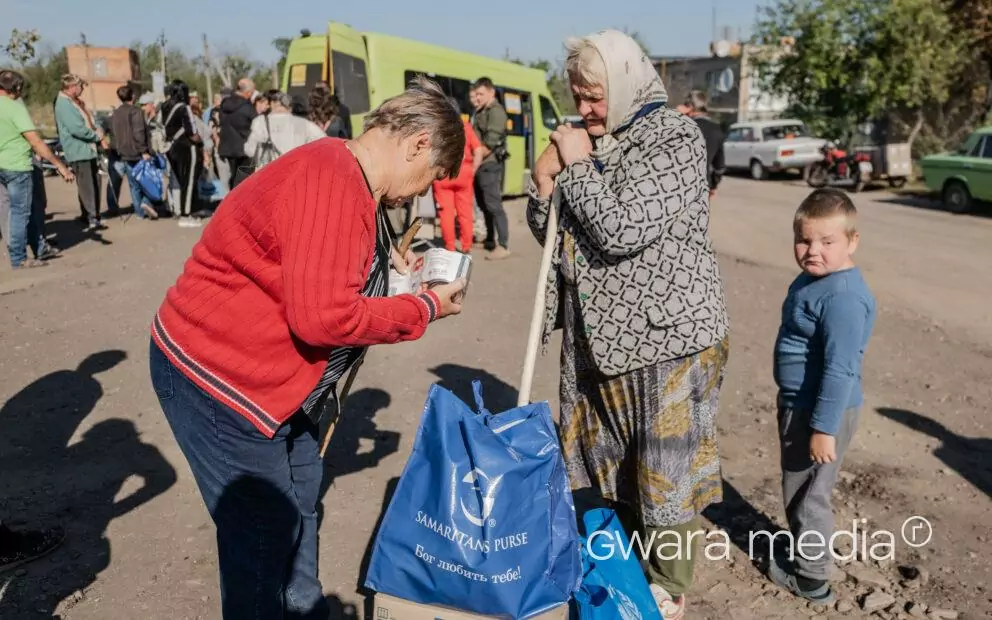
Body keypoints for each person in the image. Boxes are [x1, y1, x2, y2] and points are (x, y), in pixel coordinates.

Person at [148, 76, 467, 620]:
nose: (419, 193)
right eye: (428, 177)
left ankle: (302, 606)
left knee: (301, 490)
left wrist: (388, 277)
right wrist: (425, 309)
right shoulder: (335, 180)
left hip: (272, 380)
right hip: (219, 378)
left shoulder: (347, 173)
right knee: (263, 529)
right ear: (417, 144)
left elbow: (319, 270)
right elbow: (324, 318)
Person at [526, 30, 730, 620]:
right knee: (616, 467)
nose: (584, 109)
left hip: (670, 339)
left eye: (594, 96)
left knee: (664, 469)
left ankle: (668, 588)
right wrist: (544, 186)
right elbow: (557, 240)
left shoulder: (676, 137)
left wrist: (578, 167)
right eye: (577, 96)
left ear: (622, 81)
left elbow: (621, 227)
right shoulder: (592, 140)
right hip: (602, 341)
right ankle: (626, 576)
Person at [767, 188, 877, 605]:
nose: (812, 251)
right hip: (804, 405)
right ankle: (805, 553)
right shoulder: (820, 280)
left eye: (827, 242)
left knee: (810, 493)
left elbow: (840, 368)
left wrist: (823, 429)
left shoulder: (843, 296)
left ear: (852, 241)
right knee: (800, 486)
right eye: (804, 239)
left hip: (819, 411)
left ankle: (811, 579)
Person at [0, 69, 73, 269]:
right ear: (16, 88)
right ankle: (19, 257)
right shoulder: (15, 108)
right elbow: (35, 141)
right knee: (20, 212)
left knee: (9, 210)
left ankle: (31, 249)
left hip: (1, 166)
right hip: (17, 166)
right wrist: (60, 165)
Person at [54, 73, 106, 231]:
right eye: (80, 85)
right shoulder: (63, 104)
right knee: (86, 185)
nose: (82, 88)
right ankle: (91, 217)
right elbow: (76, 128)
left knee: (94, 182)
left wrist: (98, 128)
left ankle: (90, 213)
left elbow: (90, 119)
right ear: (71, 87)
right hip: (79, 149)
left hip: (87, 149)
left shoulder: (75, 102)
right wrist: (96, 136)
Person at [432, 96, 482, 253]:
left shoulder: (439, 128)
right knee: (465, 211)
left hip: (444, 173)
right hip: (464, 172)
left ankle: (450, 247)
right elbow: (478, 150)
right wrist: (473, 168)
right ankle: (466, 246)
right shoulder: (465, 126)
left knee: (445, 212)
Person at [470, 77, 510, 260]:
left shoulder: (496, 111)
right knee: (484, 203)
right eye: (476, 94)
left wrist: (474, 160)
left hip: (489, 164)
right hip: (480, 164)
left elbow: (490, 142)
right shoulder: (480, 111)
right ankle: (489, 240)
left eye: (480, 94)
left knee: (494, 205)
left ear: (491, 92)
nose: (477, 97)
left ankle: (503, 245)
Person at [109, 85, 158, 219]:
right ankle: (143, 207)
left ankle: (140, 210)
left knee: (133, 184)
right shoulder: (135, 111)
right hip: (136, 152)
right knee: (145, 180)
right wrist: (144, 151)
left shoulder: (116, 113)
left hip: (122, 152)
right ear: (133, 96)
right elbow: (138, 132)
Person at [160, 79, 204, 227]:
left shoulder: (164, 106)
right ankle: (186, 215)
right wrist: (200, 141)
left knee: (181, 180)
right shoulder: (184, 108)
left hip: (172, 148)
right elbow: (192, 132)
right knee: (189, 181)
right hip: (187, 147)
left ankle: (187, 210)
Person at [244, 90, 325, 169]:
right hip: (294, 172)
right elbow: (324, 142)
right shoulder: (304, 124)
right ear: (290, 106)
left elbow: (250, 151)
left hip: (267, 173)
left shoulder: (260, 121)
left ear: (272, 104)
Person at [677, 91, 725, 200]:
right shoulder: (716, 129)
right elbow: (720, 167)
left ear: (689, 107)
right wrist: (713, 186)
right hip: (702, 189)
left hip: (677, 188)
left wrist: (677, 115)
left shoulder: (683, 126)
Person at [217, 78, 257, 189]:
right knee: (245, 181)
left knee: (233, 177)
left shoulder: (224, 104)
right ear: (248, 93)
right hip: (244, 149)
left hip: (227, 148)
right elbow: (255, 126)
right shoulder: (247, 107)